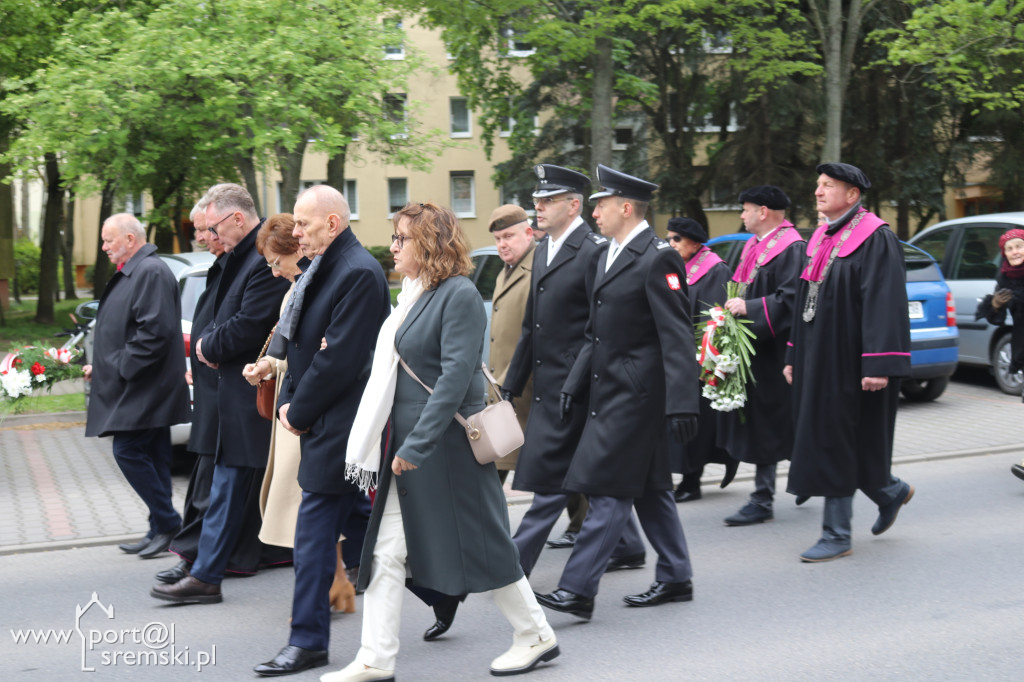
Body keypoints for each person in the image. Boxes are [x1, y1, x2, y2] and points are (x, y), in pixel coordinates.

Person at [325, 202, 558, 682]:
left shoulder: (459, 294)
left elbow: (454, 379)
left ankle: (535, 634)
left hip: (446, 449)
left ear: (430, 243)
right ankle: (375, 657)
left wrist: (417, 445)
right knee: (387, 552)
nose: (393, 247)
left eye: (402, 238)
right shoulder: (415, 294)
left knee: (487, 544)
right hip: (411, 446)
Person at [535, 164, 699, 620]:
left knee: (607, 490)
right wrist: (573, 383)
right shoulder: (606, 254)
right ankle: (676, 576)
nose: (594, 213)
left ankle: (577, 589)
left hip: (637, 398)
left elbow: (676, 335)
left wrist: (683, 403)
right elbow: (594, 333)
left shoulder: (658, 257)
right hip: (608, 393)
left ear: (626, 208)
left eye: (601, 205)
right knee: (650, 490)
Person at [254, 185, 388, 677]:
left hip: (341, 423)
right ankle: (441, 590)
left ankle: (308, 641)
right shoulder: (324, 267)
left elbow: (340, 360)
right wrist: (287, 393)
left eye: (304, 223)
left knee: (313, 536)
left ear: (332, 224)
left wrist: (296, 411)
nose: (296, 232)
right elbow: (305, 346)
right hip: (326, 420)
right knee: (368, 527)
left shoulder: (357, 272)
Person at [503, 163, 646, 583]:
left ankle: (512, 566)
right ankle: (629, 545)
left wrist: (575, 382)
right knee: (586, 477)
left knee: (552, 482)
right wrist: (511, 385)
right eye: (537, 200)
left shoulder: (593, 250)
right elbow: (532, 327)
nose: (539, 207)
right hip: (549, 388)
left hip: (579, 388)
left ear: (573, 205)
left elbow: (596, 329)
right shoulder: (543, 249)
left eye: (548, 200)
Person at [152, 184, 290, 603]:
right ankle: (203, 567)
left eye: (211, 228)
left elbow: (251, 323)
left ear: (236, 218)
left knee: (229, 489)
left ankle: (206, 571)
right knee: (222, 488)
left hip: (247, 394)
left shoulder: (260, 258)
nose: (206, 237)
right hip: (227, 394)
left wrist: (206, 347)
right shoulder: (238, 256)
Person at [784, 162, 914, 563]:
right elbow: (804, 302)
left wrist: (877, 363)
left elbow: (884, 302)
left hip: (852, 359)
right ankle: (889, 491)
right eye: (818, 185)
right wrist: (793, 353)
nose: (818, 192)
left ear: (852, 194)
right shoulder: (820, 236)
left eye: (828, 185)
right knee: (834, 437)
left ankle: (837, 534)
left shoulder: (875, 237)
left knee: (835, 440)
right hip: (817, 355)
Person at [241, 214, 357, 614]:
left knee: (309, 509)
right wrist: (267, 366)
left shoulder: (315, 284)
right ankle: (334, 584)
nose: (274, 272)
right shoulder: (299, 286)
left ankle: (321, 596)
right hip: (295, 405)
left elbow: (320, 354)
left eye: (277, 262)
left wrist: (282, 377)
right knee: (313, 509)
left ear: (296, 250)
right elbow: (290, 349)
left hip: (305, 409)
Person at [83, 213, 191, 560]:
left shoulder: (150, 271)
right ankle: (159, 527)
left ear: (130, 239)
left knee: (127, 450)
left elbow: (153, 333)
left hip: (146, 385)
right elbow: (127, 329)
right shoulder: (139, 270)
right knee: (155, 455)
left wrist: (119, 368)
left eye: (108, 240)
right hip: (143, 383)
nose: (104, 247)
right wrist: (101, 366)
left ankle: (168, 522)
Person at [719, 186, 805, 525]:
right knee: (770, 423)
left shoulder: (791, 247)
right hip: (754, 348)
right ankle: (804, 479)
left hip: (776, 352)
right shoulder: (754, 246)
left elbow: (791, 299)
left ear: (763, 211)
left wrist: (750, 308)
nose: (742, 215)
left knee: (772, 423)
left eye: (746, 209)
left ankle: (762, 498)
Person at [664, 217, 736, 503]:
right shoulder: (676, 267)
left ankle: (691, 481)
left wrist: (703, 359)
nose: (671, 244)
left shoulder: (715, 269)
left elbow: (714, 318)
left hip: (700, 357)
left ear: (695, 243)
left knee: (698, 421)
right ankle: (698, 470)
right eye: (669, 238)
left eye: (676, 239)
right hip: (676, 354)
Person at [487, 204, 536, 484]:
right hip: (504, 390)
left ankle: (587, 516)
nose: (502, 244)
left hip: (527, 387)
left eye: (508, 236)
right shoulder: (504, 271)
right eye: (497, 239)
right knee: (494, 466)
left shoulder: (538, 269)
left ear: (528, 233)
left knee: (557, 471)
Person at [974, 228, 1024, 479]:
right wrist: (994, 305)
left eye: (1019, 246)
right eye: (1009, 248)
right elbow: (997, 318)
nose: (1015, 252)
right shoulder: (1004, 278)